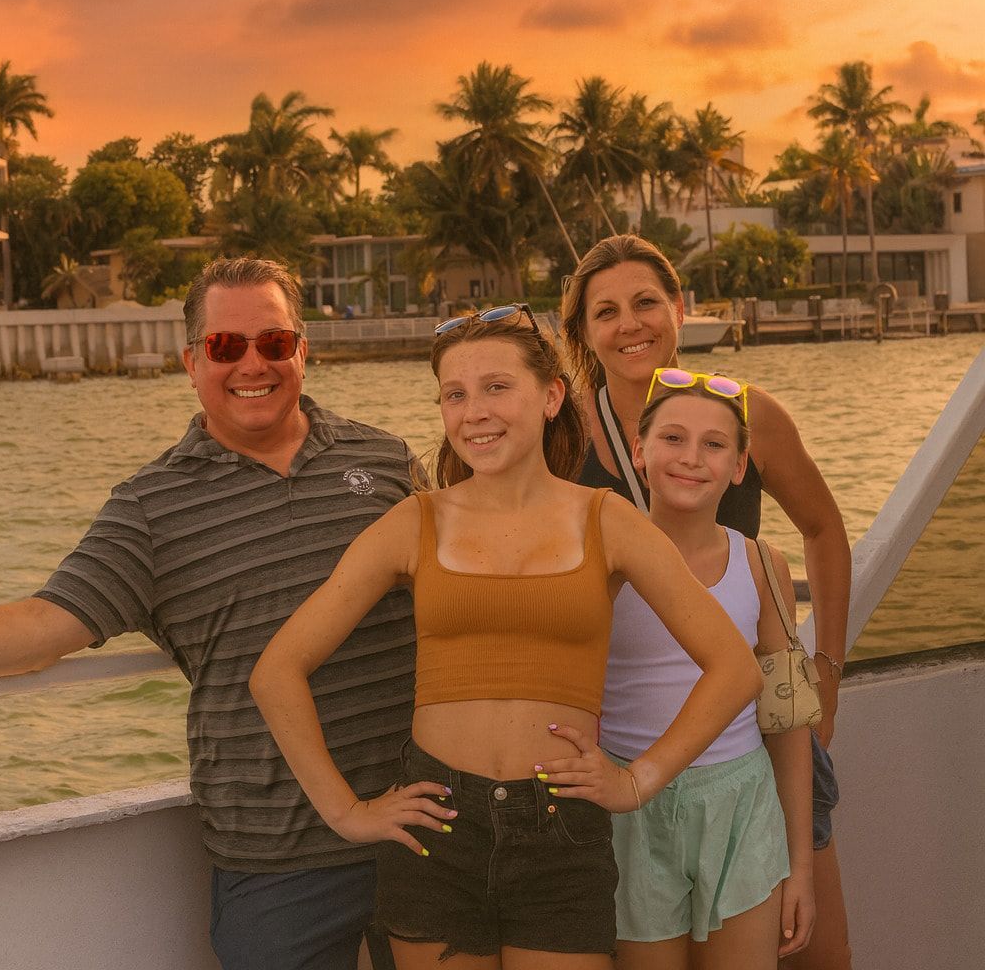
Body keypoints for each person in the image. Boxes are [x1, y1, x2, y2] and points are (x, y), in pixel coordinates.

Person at [250, 305, 762, 969]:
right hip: (437, 831)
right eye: (454, 395)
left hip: (561, 834)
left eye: (496, 387)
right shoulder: (414, 522)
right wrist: (346, 812)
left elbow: (734, 668)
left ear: (551, 396)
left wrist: (638, 781)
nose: (473, 413)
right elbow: (278, 670)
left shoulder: (609, 521)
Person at [0, 256, 418, 970]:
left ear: (303, 348)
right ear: (190, 361)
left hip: (418, 825)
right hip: (276, 860)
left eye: (273, 342)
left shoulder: (387, 461)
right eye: (225, 347)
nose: (251, 364)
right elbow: (46, 625)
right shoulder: (151, 506)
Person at [562, 236, 852, 970]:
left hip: (753, 734)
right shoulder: (561, 435)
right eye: (606, 311)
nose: (630, 324)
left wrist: (827, 669)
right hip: (635, 749)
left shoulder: (750, 413)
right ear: (584, 332)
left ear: (679, 309)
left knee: (818, 951)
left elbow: (824, 529)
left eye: (647, 302)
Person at [603, 368, 814, 967]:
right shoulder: (602, 558)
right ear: (639, 451)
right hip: (630, 808)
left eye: (714, 444)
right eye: (672, 438)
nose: (691, 458)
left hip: (741, 807)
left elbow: (788, 720)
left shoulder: (762, 564)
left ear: (740, 466)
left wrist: (799, 868)